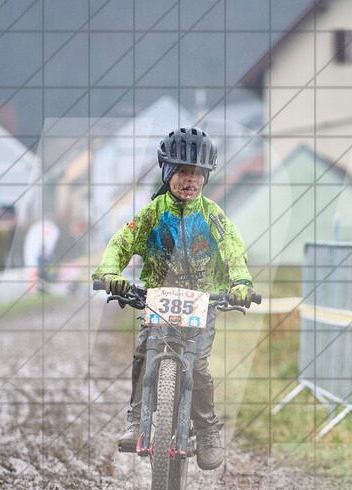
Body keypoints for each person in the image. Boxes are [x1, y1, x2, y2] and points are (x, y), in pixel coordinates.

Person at [93, 126, 254, 471]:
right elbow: (120, 243)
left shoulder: (212, 215)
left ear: (206, 177)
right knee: (142, 353)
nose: (190, 180)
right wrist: (110, 273)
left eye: (198, 173)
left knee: (197, 366)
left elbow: (233, 249)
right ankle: (135, 421)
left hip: (203, 301)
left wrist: (241, 282)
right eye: (182, 171)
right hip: (158, 297)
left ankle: (207, 430)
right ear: (167, 173)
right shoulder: (152, 213)